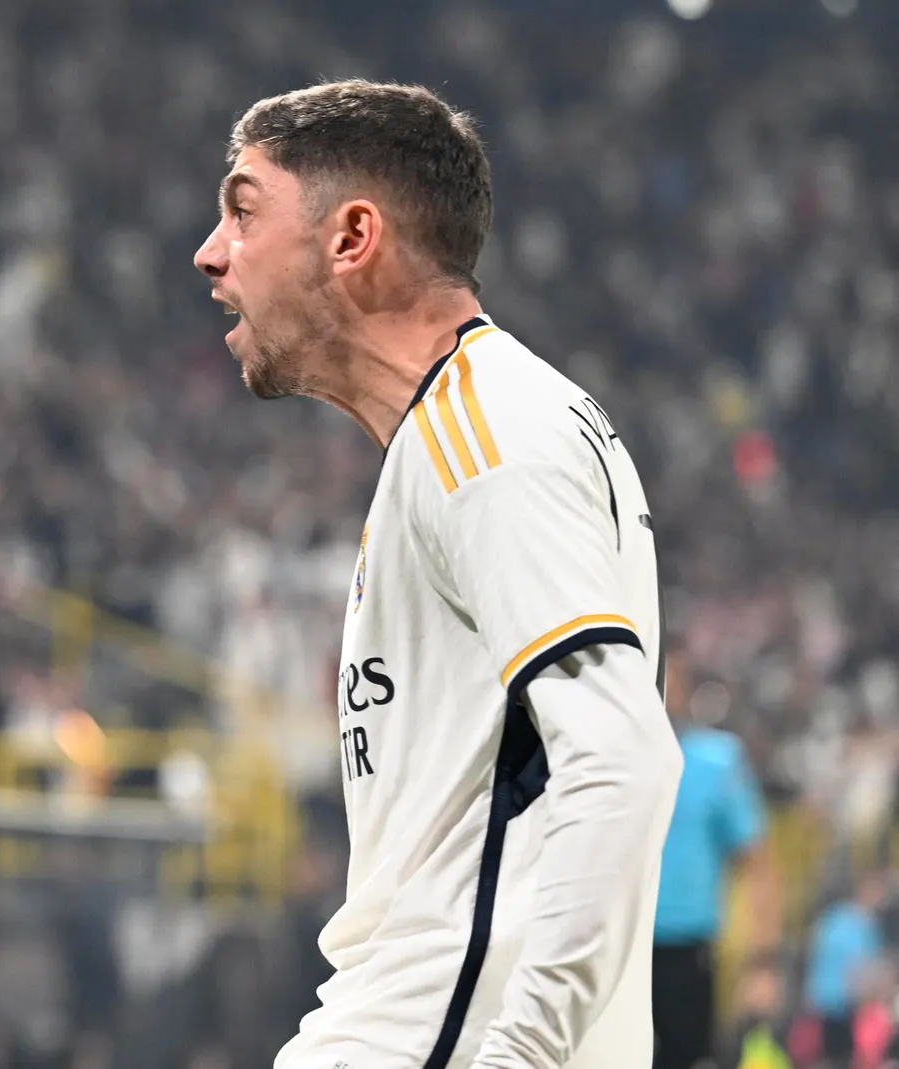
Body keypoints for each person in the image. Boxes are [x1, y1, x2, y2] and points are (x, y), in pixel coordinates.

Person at [194, 80, 682, 1068]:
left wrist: (521, 1054)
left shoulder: (485, 430)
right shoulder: (461, 434)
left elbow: (624, 761)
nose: (210, 250)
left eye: (243, 211)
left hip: (434, 1035)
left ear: (351, 237)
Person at [652, 674, 767, 1069]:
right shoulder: (607, 755)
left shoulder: (717, 760)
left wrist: (761, 961)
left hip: (687, 945)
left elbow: (755, 859)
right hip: (615, 943)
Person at [804, 872, 888, 1066]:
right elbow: (861, 973)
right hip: (844, 1010)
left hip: (818, 1008)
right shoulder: (860, 924)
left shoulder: (829, 919)